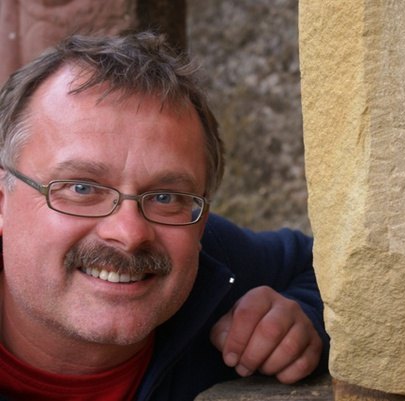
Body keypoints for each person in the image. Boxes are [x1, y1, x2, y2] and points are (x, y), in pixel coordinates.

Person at [0, 31, 328, 400]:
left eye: (164, 196)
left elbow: (325, 269)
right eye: (81, 188)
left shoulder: (216, 268)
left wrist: (304, 317)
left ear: (201, 223)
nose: (129, 233)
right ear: (2, 201)